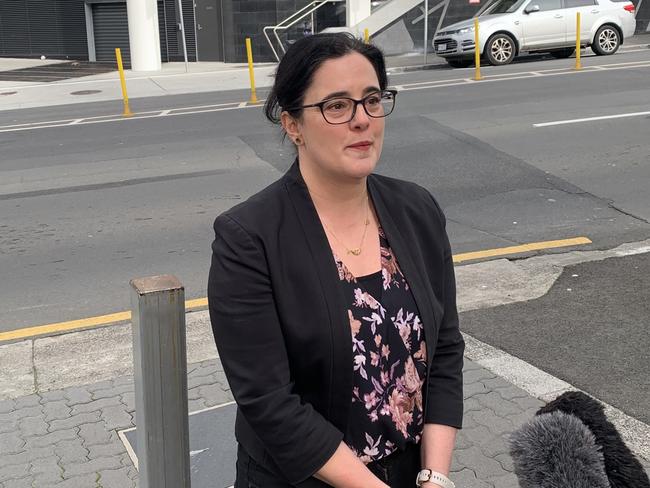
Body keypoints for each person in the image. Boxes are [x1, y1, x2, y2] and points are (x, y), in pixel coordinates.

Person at [208, 32, 464, 488]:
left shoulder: (417, 210)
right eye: (337, 106)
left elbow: (444, 349)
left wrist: (435, 475)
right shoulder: (249, 238)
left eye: (371, 100)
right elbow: (269, 401)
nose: (362, 120)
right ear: (292, 124)